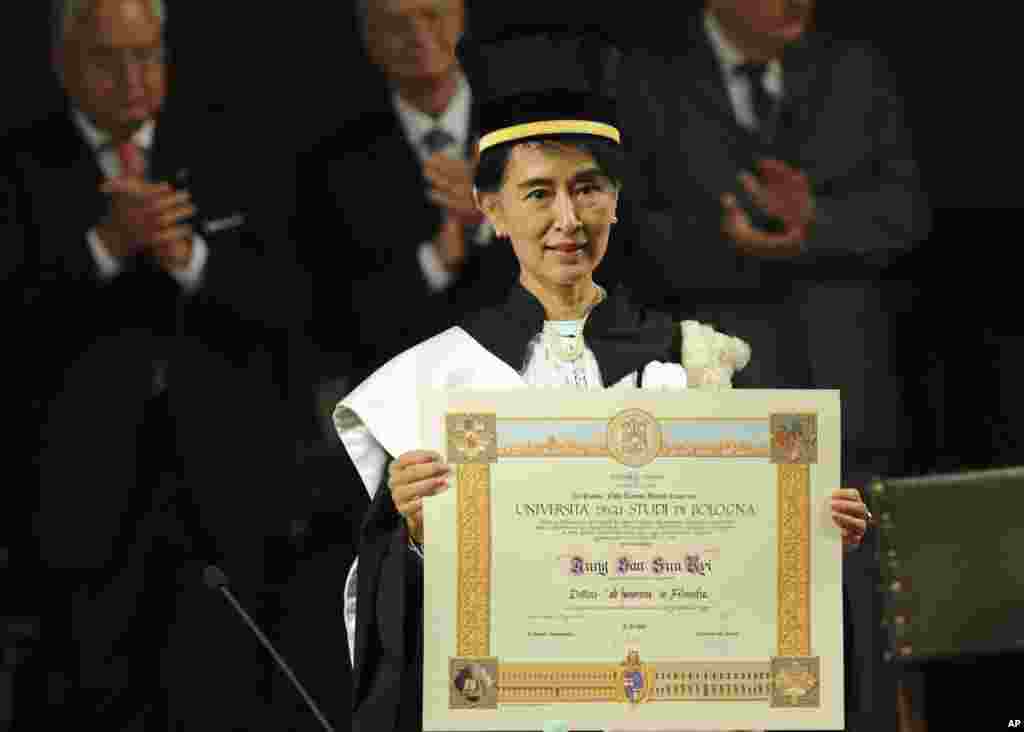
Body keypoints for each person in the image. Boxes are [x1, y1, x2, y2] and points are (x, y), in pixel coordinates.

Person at [327, 25, 872, 732]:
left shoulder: (692, 364)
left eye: (587, 189)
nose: (567, 220)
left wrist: (815, 539)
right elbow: (390, 621)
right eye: (537, 193)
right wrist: (418, 537)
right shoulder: (431, 384)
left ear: (614, 201)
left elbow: (738, 567)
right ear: (490, 209)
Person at [613, 3, 930, 728]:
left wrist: (811, 228)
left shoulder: (857, 68)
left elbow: (906, 214)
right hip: (725, 406)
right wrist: (743, 246)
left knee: (875, 623)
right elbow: (632, 240)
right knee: (738, 624)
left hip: (851, 394)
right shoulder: (643, 79)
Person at [1, 1, 310, 727]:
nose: (132, 77)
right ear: (65, 64)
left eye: (146, 55)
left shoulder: (230, 145)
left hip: (222, 500)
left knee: (223, 700)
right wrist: (103, 248)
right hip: (74, 509)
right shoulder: (19, 165)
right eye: (108, 59)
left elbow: (294, 306)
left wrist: (191, 259)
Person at [290, 0, 519, 402]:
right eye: (397, 23)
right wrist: (434, 261)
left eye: (431, 14)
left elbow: (593, 262)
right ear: (369, 38)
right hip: (402, 402)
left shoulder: (528, 124)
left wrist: (487, 216)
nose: (417, 34)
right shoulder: (330, 160)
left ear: (460, 20)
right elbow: (330, 318)